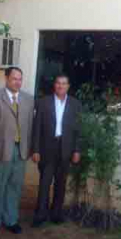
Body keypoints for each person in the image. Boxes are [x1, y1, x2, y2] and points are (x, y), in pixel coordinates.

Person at [0, 67, 35, 239]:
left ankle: (11, 220)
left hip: (21, 150)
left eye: (20, 79)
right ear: (6, 78)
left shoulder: (28, 99)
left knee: (15, 187)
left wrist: (30, 149)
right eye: (14, 78)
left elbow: (30, 126)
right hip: (0, 150)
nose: (17, 82)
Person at [31, 74, 82, 227]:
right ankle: (40, 215)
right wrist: (35, 149)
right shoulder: (43, 102)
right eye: (58, 83)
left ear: (68, 86)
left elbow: (79, 130)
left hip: (66, 148)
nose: (61, 86)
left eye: (64, 83)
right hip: (47, 148)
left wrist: (77, 150)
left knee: (61, 183)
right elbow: (37, 127)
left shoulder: (75, 104)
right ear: (54, 85)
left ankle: (56, 214)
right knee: (45, 182)